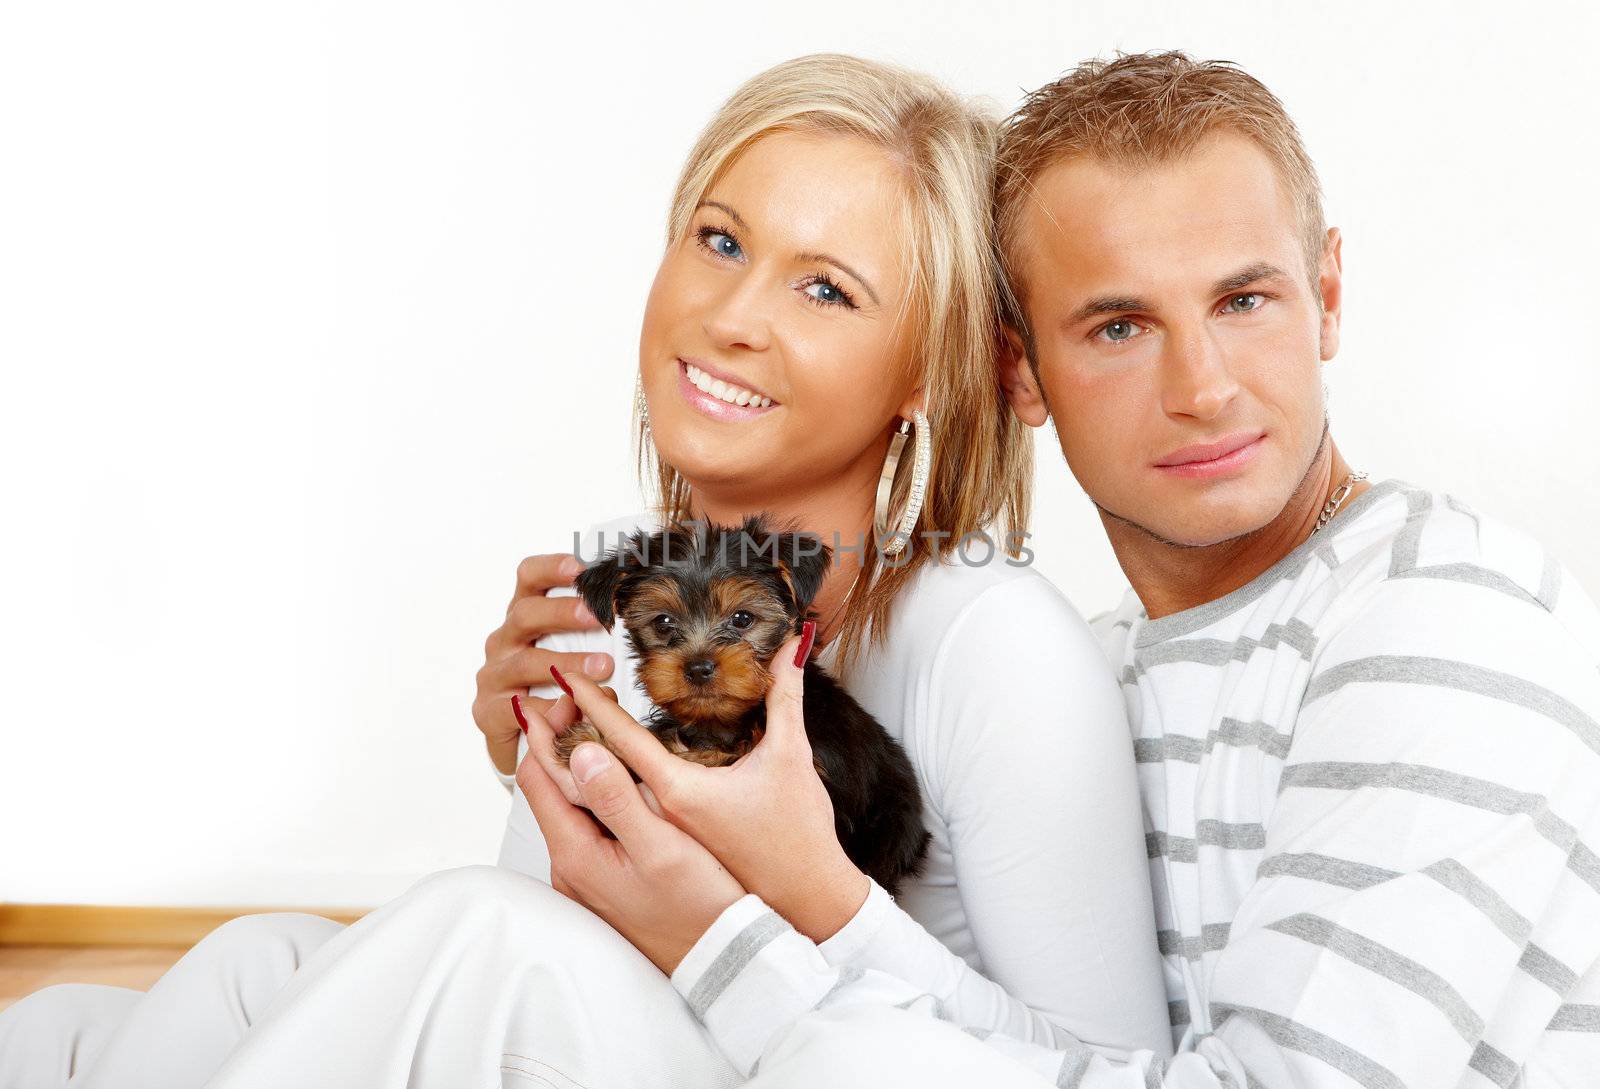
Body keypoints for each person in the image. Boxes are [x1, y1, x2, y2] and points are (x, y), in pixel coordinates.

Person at [204, 50, 1600, 1088]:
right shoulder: (1130, 662)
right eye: (1115, 324)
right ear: (1025, 372)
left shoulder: (1436, 623)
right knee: (257, 964)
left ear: (1332, 296)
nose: (1202, 386)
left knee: (482, 946)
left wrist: (766, 914)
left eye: (1245, 299)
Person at [0, 53, 1170, 1088]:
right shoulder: (631, 595)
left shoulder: (997, 643)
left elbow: (1113, 1071)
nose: (731, 316)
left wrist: (803, 897)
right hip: (636, 1029)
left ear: (929, 371)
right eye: (719, 241)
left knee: (481, 940)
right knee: (219, 974)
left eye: (826, 288)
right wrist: (536, 768)